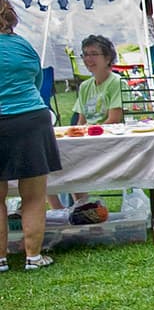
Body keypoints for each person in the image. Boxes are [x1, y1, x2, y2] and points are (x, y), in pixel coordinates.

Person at [0, 0, 59, 270]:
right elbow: (36, 82)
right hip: (31, 119)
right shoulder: (23, 45)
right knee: (34, 196)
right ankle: (33, 257)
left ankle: (0, 259)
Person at [48, 34, 124, 212]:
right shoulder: (85, 86)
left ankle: (80, 205)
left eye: (94, 54)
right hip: (87, 139)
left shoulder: (116, 83)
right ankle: (61, 208)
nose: (88, 59)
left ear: (107, 58)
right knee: (46, 158)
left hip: (106, 141)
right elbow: (81, 121)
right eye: (85, 55)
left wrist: (85, 133)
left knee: (67, 158)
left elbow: (113, 119)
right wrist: (77, 133)